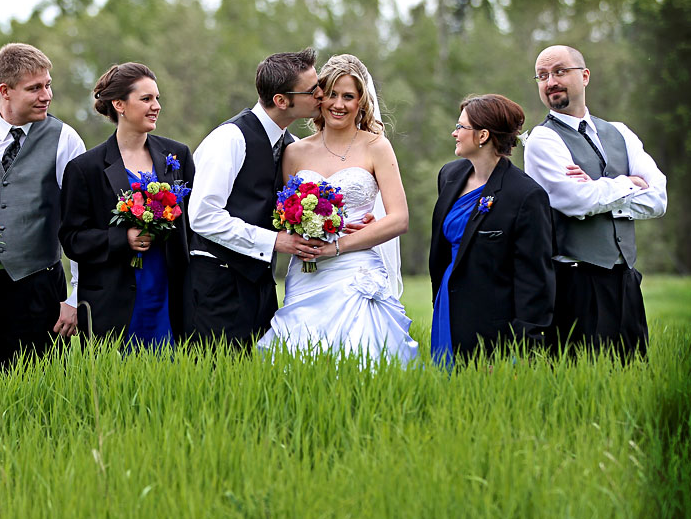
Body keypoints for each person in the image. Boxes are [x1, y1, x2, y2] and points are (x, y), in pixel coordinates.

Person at [256, 54, 419, 364]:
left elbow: (399, 219)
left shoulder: (376, 147)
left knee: (364, 356)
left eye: (348, 96)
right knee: (299, 358)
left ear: (361, 102)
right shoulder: (295, 151)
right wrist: (298, 230)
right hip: (307, 271)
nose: (338, 104)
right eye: (331, 94)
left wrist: (338, 246)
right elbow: (283, 216)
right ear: (319, 97)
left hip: (356, 269)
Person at [524, 45, 667, 356]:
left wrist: (601, 192)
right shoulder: (542, 139)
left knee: (632, 376)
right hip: (576, 283)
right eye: (543, 76)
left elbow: (658, 199)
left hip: (627, 279)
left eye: (560, 72)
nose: (551, 82)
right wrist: (626, 183)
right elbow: (575, 200)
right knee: (580, 382)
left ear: (585, 76)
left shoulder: (620, 133)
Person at [0, 43, 86, 369]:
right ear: (5, 91)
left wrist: (74, 297)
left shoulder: (65, 138)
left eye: (48, 84)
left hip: (41, 289)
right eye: (35, 88)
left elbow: (80, 224)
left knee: (45, 388)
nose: (47, 95)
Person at [185, 48, 326, 348]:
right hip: (217, 286)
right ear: (281, 100)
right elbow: (202, 216)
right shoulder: (230, 139)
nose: (321, 94)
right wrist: (275, 241)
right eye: (312, 89)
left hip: (260, 285)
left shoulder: (292, 146)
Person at [59, 63, 194, 346]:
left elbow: (193, 225)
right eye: (146, 99)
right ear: (119, 104)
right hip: (113, 301)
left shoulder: (177, 154)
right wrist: (124, 238)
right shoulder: (85, 168)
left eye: (157, 98)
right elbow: (73, 239)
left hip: (170, 293)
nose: (156, 106)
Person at [429, 94, 555, 364]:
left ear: (483, 135)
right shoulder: (449, 176)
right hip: (447, 306)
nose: (455, 133)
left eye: (461, 127)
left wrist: (526, 347)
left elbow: (535, 279)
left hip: (493, 325)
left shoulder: (526, 195)